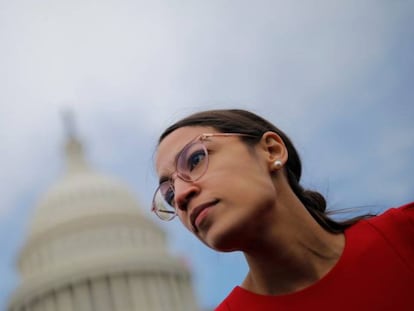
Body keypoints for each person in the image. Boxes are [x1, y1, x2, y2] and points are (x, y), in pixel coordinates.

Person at [151, 109, 414, 310]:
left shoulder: (404, 234)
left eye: (196, 159)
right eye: (170, 194)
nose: (182, 195)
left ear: (271, 150)